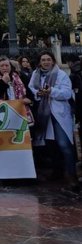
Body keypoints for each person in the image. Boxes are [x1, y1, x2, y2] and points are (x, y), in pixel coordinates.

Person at [29, 51, 77, 192]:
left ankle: (71, 176)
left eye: (48, 59)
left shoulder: (61, 74)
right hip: (45, 113)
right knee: (50, 144)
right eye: (43, 60)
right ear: (39, 62)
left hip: (58, 113)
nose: (46, 62)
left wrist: (52, 91)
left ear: (53, 61)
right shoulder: (36, 74)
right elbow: (32, 88)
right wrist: (38, 93)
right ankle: (57, 172)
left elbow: (67, 93)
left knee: (64, 144)